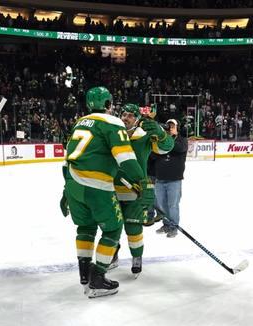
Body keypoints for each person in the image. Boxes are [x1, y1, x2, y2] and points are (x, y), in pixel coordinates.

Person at [60, 87, 145, 298]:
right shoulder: (112, 122)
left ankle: (84, 273)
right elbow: (125, 157)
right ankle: (97, 277)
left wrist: (65, 192)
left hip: (73, 185)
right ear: (109, 104)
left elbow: (66, 161)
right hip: (96, 186)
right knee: (113, 229)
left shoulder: (80, 122)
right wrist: (139, 180)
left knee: (85, 227)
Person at [110, 104, 174, 276]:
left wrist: (161, 133)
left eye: (130, 115)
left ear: (137, 119)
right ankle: (112, 255)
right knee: (111, 227)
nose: (125, 118)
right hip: (111, 189)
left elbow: (167, 147)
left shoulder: (144, 136)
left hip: (136, 191)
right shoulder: (112, 134)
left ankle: (136, 257)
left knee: (133, 227)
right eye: (124, 114)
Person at [154, 119, 188, 237]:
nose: (170, 128)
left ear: (177, 128)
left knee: (173, 205)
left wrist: (170, 137)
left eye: (173, 126)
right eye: (168, 126)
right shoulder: (160, 140)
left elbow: (179, 148)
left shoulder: (182, 140)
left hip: (174, 179)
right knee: (162, 205)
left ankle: (174, 227)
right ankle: (166, 224)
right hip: (159, 178)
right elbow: (153, 155)